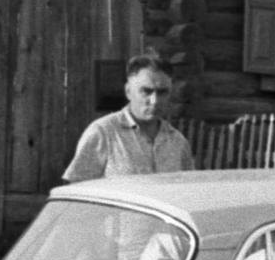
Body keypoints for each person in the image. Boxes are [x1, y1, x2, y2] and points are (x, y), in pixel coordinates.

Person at [62, 55, 195, 182]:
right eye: (146, 91)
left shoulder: (177, 142)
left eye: (162, 92)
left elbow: (186, 191)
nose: (154, 101)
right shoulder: (103, 133)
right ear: (128, 91)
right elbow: (77, 190)